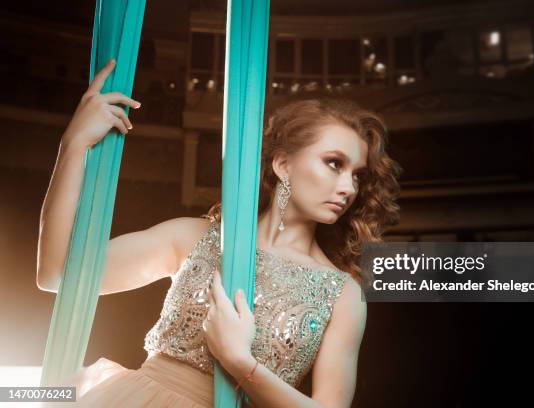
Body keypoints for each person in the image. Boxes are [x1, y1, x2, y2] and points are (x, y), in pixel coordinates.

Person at [36, 58, 402, 407]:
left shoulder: (342, 294)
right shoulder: (195, 238)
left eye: (357, 175)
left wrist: (240, 362)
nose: (348, 188)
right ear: (283, 164)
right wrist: (74, 145)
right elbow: (55, 273)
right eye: (334, 164)